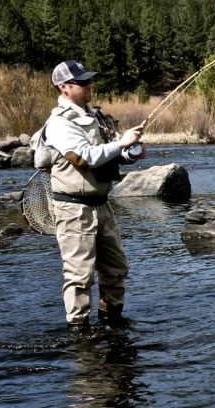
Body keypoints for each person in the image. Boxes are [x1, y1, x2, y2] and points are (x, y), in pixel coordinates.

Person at [43, 60, 145, 328]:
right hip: (73, 209)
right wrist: (120, 144)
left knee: (116, 269)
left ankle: (112, 323)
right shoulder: (58, 123)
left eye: (89, 80)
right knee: (79, 276)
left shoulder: (97, 116)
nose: (89, 85)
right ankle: (79, 338)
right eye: (82, 82)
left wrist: (130, 151)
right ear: (63, 87)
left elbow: (112, 154)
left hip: (102, 205)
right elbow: (83, 158)